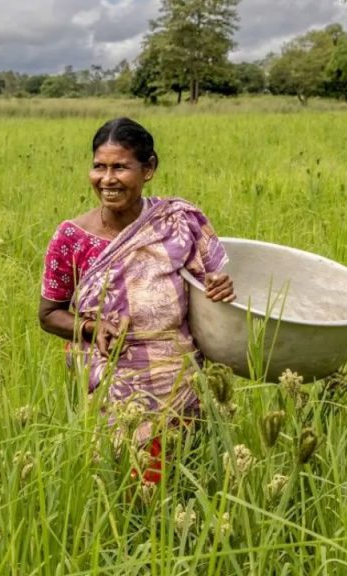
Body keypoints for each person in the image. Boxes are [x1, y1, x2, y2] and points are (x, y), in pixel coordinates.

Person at [38, 117, 235, 482]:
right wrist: (89, 326)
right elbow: (49, 314)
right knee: (122, 480)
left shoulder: (178, 221)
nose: (107, 179)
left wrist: (222, 285)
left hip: (178, 376)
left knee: (184, 475)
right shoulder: (71, 238)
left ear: (149, 169)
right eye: (99, 166)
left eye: (120, 167)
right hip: (110, 378)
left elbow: (214, 281)